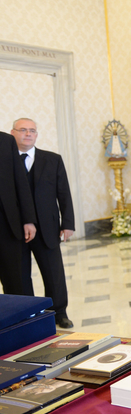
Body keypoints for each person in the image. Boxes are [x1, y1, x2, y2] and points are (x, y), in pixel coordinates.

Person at [11, 118, 75, 329]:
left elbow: (63, 193)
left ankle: (59, 312)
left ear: (37, 135)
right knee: (20, 275)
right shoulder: (4, 161)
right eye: (23, 130)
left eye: (32, 131)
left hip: (47, 227)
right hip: (14, 229)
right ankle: (26, 314)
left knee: (53, 272)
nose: (28, 134)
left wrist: (68, 223)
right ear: (13, 133)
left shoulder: (52, 159)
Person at [0, 131, 36, 295]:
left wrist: (28, 219)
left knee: (15, 280)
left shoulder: (6, 141)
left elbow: (20, 181)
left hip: (6, 223)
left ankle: (22, 319)